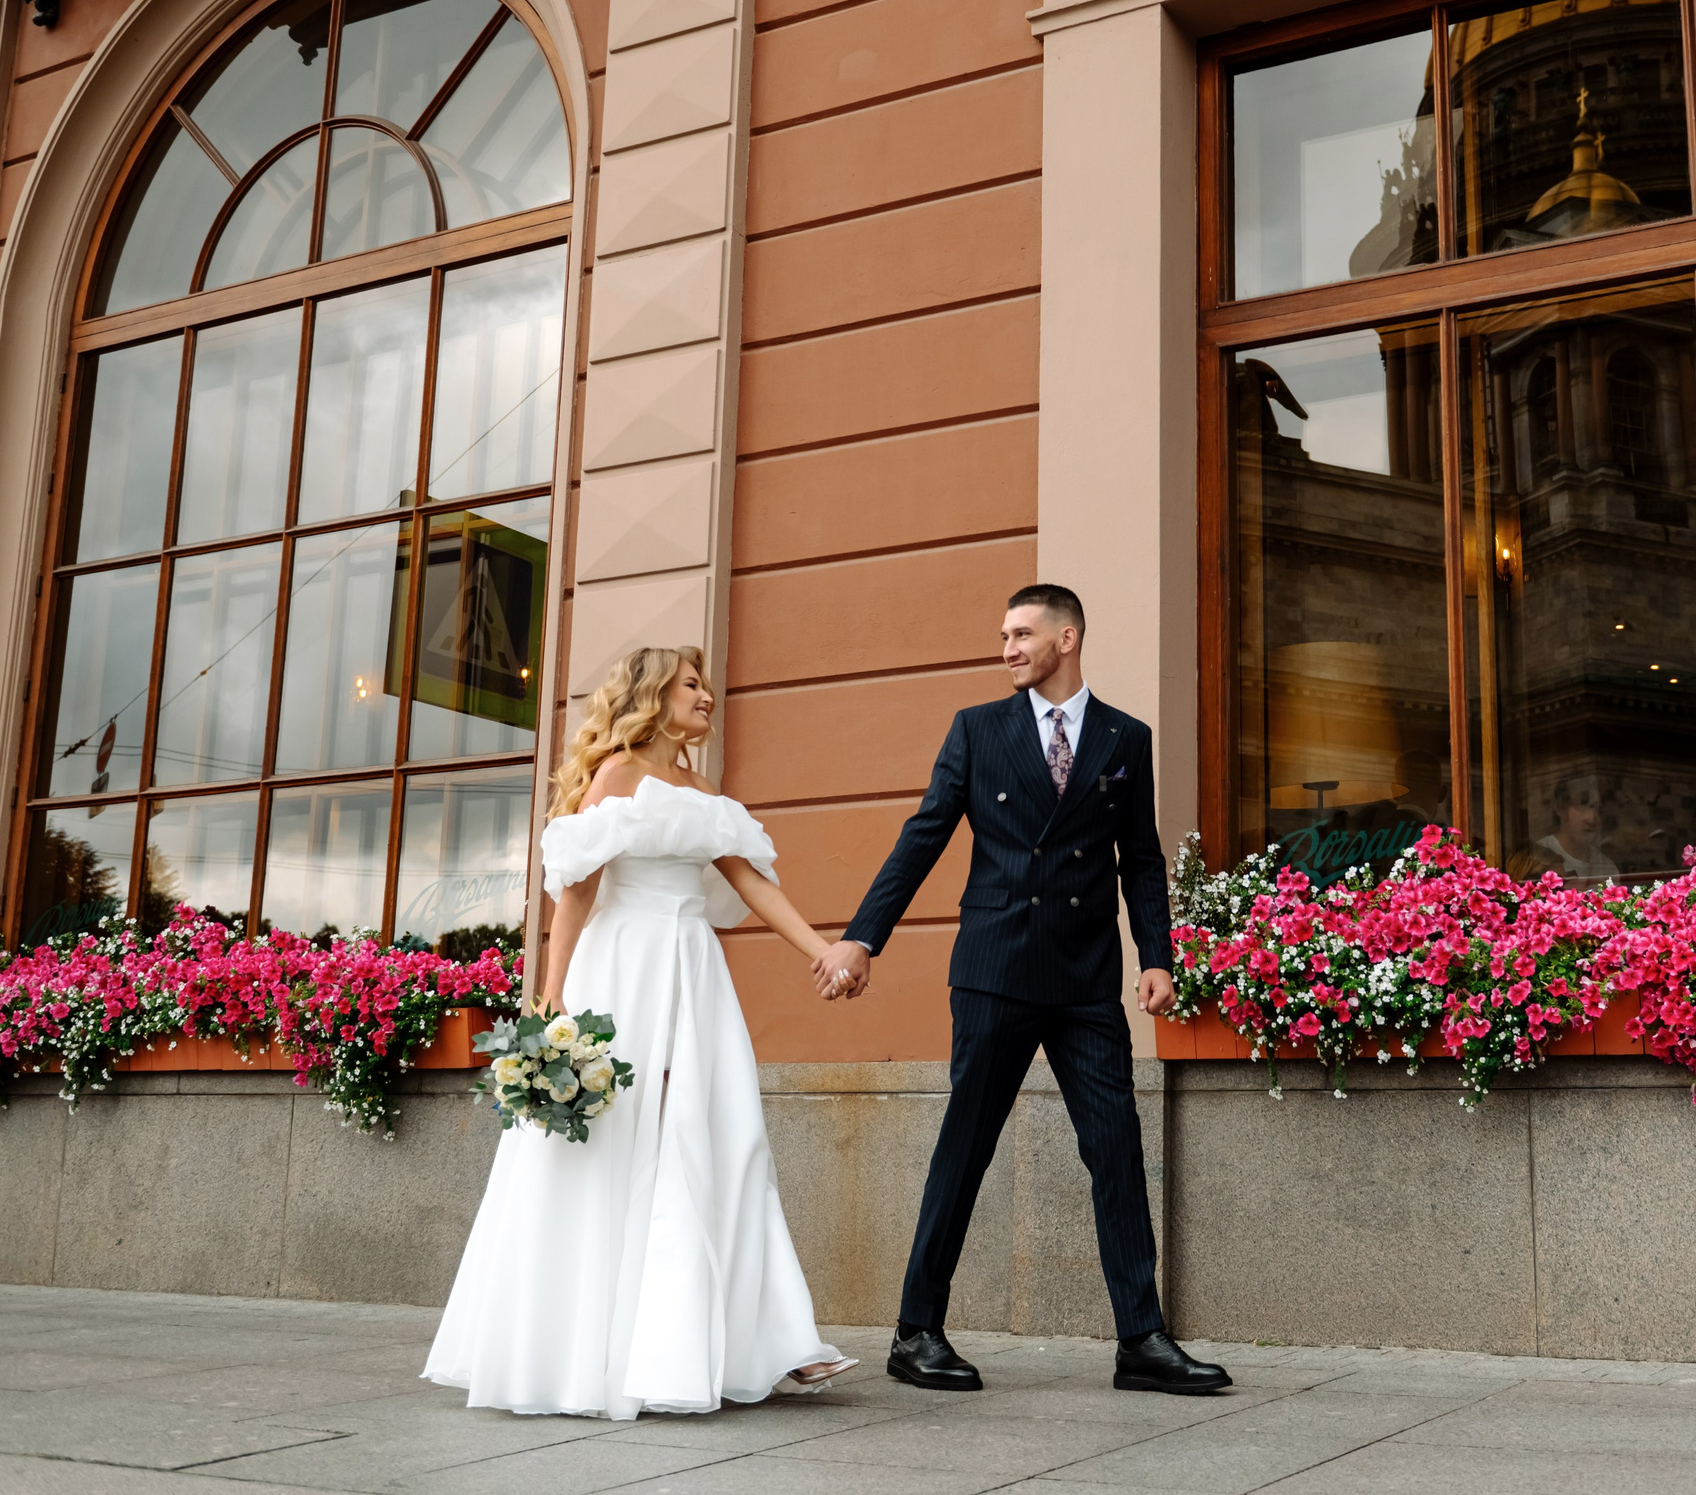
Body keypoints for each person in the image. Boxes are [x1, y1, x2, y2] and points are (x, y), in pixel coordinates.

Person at [817, 584, 1233, 1397]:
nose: (1006, 647)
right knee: (964, 1148)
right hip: (995, 971)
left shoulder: (1124, 737)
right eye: (1003, 634)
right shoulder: (979, 729)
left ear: (1066, 637)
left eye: (1021, 633)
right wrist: (863, 936)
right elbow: (924, 835)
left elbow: (1140, 858)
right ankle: (916, 1330)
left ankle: (1141, 1339)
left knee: (1116, 1146)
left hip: (1083, 980)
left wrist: (1158, 953)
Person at [423, 646, 860, 1417]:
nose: (707, 695)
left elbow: (751, 882)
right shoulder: (618, 776)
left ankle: (767, 1341)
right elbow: (578, 898)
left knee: (725, 1136)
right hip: (622, 971)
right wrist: (551, 1008)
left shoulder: (704, 792)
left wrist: (823, 948)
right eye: (691, 684)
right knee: (620, 1147)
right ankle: (595, 1350)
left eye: (705, 682)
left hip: (693, 971)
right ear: (652, 696)